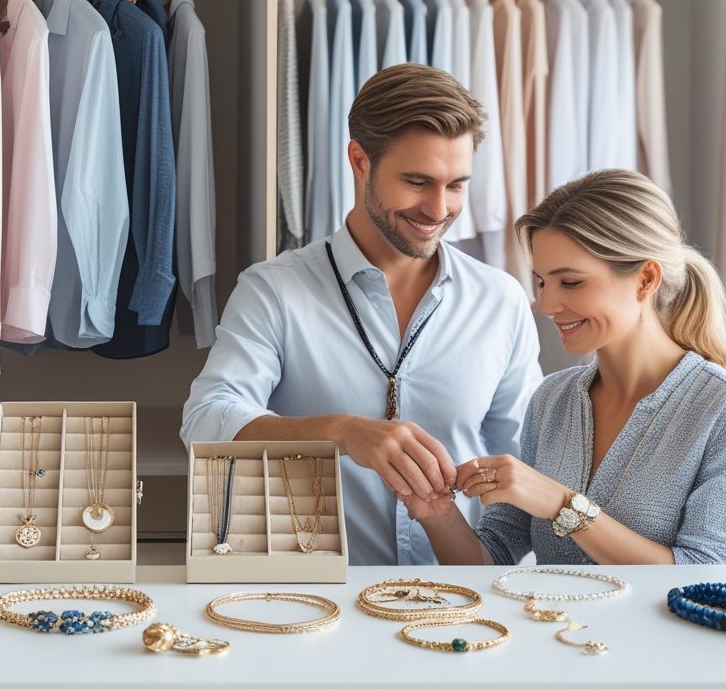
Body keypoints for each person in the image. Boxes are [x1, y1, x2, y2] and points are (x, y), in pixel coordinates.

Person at [181, 63, 543, 565]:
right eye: (417, 181)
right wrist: (339, 431)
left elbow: (526, 462)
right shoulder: (274, 290)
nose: (438, 209)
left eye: (456, 185)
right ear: (359, 160)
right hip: (314, 605)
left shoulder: (501, 300)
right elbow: (205, 421)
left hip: (461, 602)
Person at [407, 169, 726, 565]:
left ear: (645, 279)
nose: (546, 306)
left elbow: (707, 577)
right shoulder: (552, 399)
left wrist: (565, 506)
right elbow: (490, 559)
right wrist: (436, 512)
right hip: (546, 628)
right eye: (542, 282)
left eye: (571, 283)